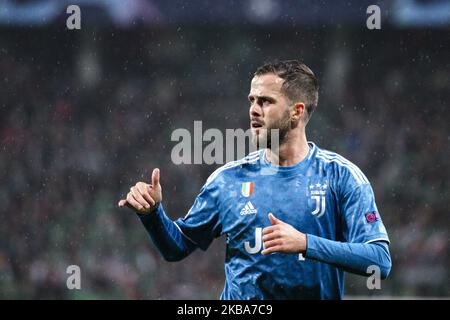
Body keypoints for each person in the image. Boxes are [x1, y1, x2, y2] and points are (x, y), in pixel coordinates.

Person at [118, 60, 391, 299]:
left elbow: (380, 262)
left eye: (266, 101)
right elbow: (177, 247)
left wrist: (306, 244)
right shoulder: (227, 180)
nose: (254, 110)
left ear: (296, 111)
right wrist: (153, 215)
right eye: (252, 100)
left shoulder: (341, 177)